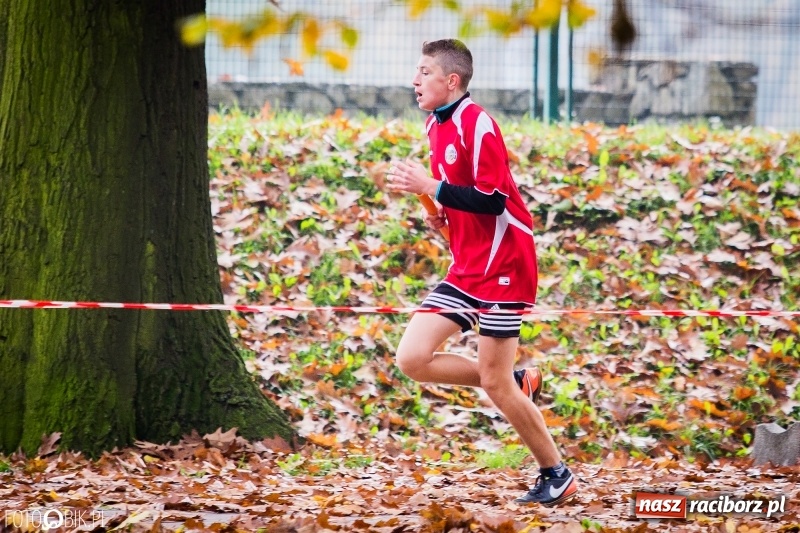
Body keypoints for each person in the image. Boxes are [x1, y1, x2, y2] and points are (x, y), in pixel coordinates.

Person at [385, 38, 577, 507]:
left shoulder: (480, 125)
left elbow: (493, 199)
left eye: (425, 71)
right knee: (412, 359)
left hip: (506, 264)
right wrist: (440, 215)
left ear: (452, 81)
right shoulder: (435, 124)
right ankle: (518, 382)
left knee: (493, 382)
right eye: (417, 71)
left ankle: (556, 472)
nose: (416, 80)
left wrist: (431, 185)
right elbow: (461, 197)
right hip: (468, 266)